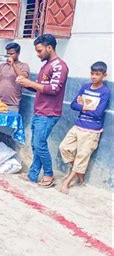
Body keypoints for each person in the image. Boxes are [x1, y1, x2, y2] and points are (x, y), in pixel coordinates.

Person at [16, 34, 69, 187]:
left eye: (39, 51)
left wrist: (30, 82)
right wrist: (26, 84)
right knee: (35, 144)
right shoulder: (46, 66)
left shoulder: (59, 66)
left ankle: (48, 174)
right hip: (40, 111)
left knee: (40, 144)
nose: (37, 54)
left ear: (49, 48)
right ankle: (33, 175)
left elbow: (53, 89)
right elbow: (41, 89)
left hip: (49, 113)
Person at [59, 62, 110, 194]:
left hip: (92, 130)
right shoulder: (85, 87)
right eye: (92, 73)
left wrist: (83, 106)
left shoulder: (105, 92)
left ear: (104, 75)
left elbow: (99, 113)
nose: (94, 76)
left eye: (97, 74)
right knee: (64, 148)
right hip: (78, 125)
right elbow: (73, 105)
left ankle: (67, 182)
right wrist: (86, 107)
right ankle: (79, 174)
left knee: (82, 156)